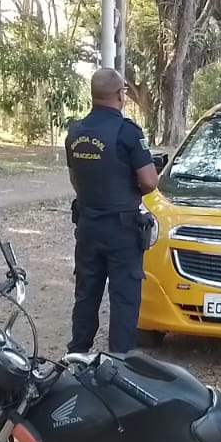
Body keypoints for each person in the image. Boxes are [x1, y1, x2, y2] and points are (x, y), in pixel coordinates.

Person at [64, 68, 159, 354]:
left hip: (88, 225)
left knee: (86, 294)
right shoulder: (128, 132)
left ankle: (77, 355)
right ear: (120, 94)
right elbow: (150, 181)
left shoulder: (75, 132)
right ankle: (119, 362)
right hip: (121, 229)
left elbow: (75, 179)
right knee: (124, 298)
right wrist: (128, 193)